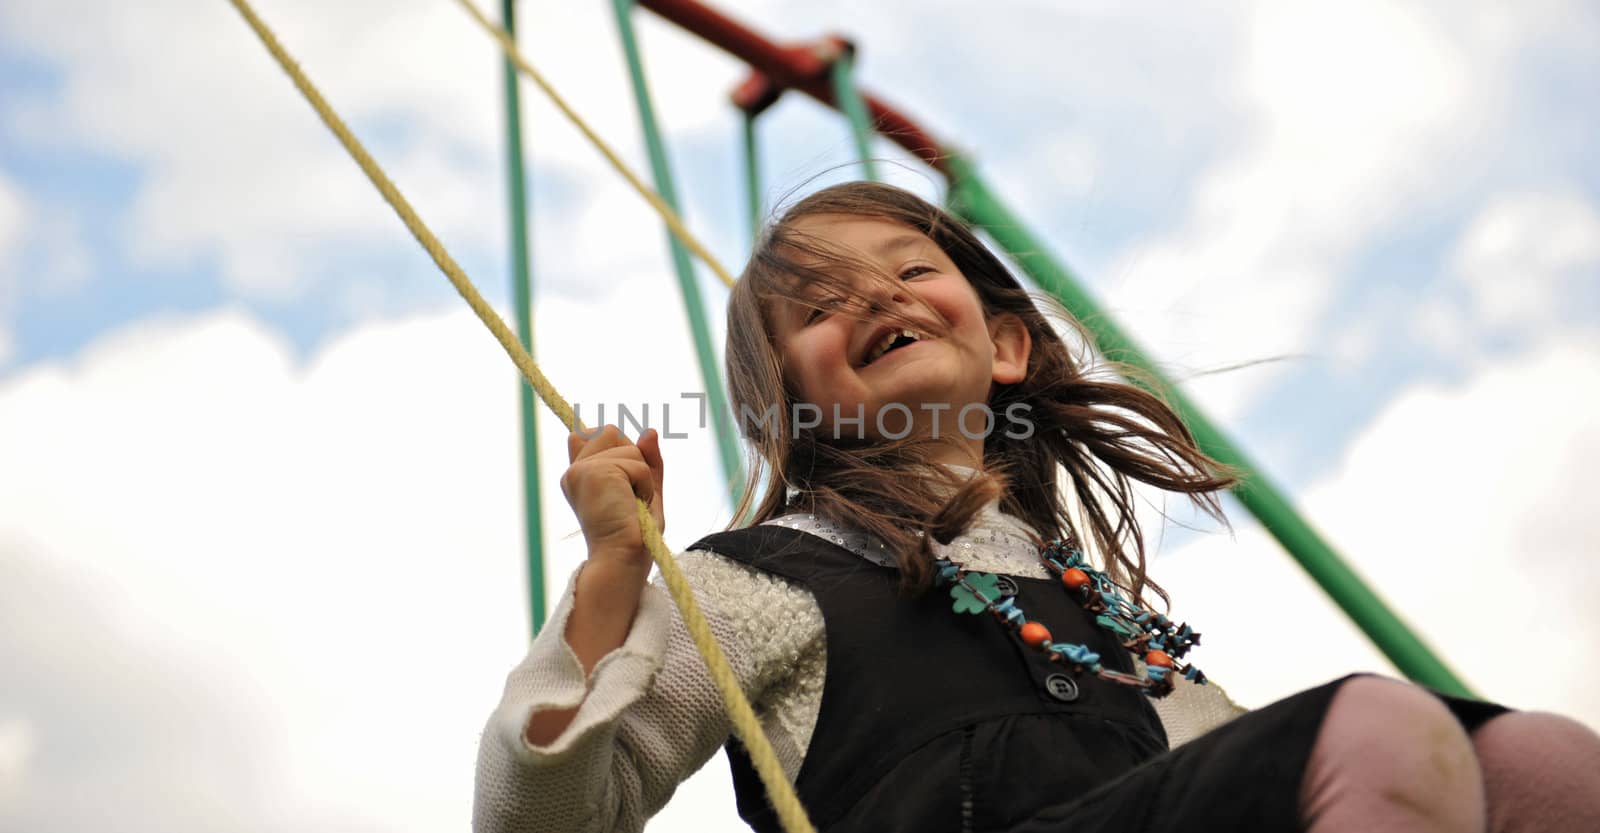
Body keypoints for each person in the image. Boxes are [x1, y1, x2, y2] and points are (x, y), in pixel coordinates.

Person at [473, 182, 1600, 833]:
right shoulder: (760, 578)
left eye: (908, 269)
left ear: (1004, 342)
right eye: (817, 304)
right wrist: (616, 568)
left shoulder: (1099, 614)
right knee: (1375, 724)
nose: (871, 292)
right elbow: (540, 820)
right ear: (789, 408)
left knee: (1541, 760)